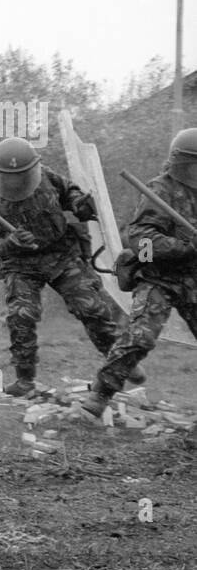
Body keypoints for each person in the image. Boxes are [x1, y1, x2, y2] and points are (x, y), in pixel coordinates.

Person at [0, 137, 142, 397]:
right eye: (9, 177)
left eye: (21, 175)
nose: (15, 182)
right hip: (20, 264)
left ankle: (121, 362)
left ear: (32, 169)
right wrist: (7, 244)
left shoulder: (49, 179)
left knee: (90, 306)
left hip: (60, 254)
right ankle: (24, 380)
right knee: (21, 316)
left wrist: (80, 204)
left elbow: (72, 193)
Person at [82, 129, 197, 416]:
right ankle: (101, 392)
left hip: (192, 279)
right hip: (158, 277)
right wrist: (184, 246)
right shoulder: (159, 191)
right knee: (140, 336)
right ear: (181, 163)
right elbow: (141, 243)